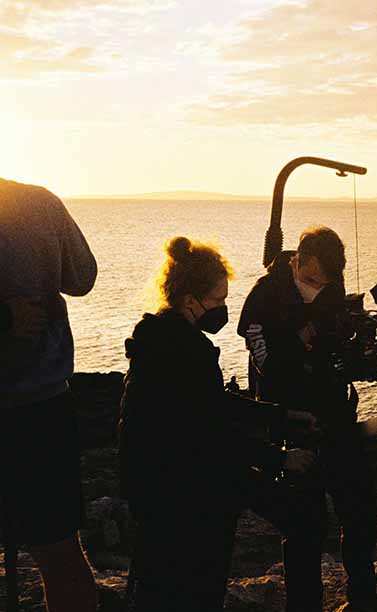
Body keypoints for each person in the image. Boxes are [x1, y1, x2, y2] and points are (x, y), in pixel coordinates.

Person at [117, 236, 316, 611]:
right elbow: (209, 433)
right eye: (218, 300)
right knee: (195, 587)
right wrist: (280, 459)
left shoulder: (157, 337)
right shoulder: (187, 352)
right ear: (190, 300)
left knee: (157, 584)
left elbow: (210, 405)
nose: (224, 309)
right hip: (186, 490)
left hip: (151, 481)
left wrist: (280, 416)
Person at [237, 226, 377, 612]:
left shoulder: (334, 293)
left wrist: (365, 360)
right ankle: (304, 604)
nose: (317, 288)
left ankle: (363, 594)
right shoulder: (266, 295)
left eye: (325, 282)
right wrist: (300, 340)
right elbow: (266, 361)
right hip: (289, 419)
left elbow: (340, 352)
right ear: (297, 261)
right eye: (310, 279)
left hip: (335, 413)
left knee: (358, 507)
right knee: (305, 522)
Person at [0, 178, 98, 612]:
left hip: (36, 405)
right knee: (59, 553)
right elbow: (82, 278)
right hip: (41, 405)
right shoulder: (38, 203)